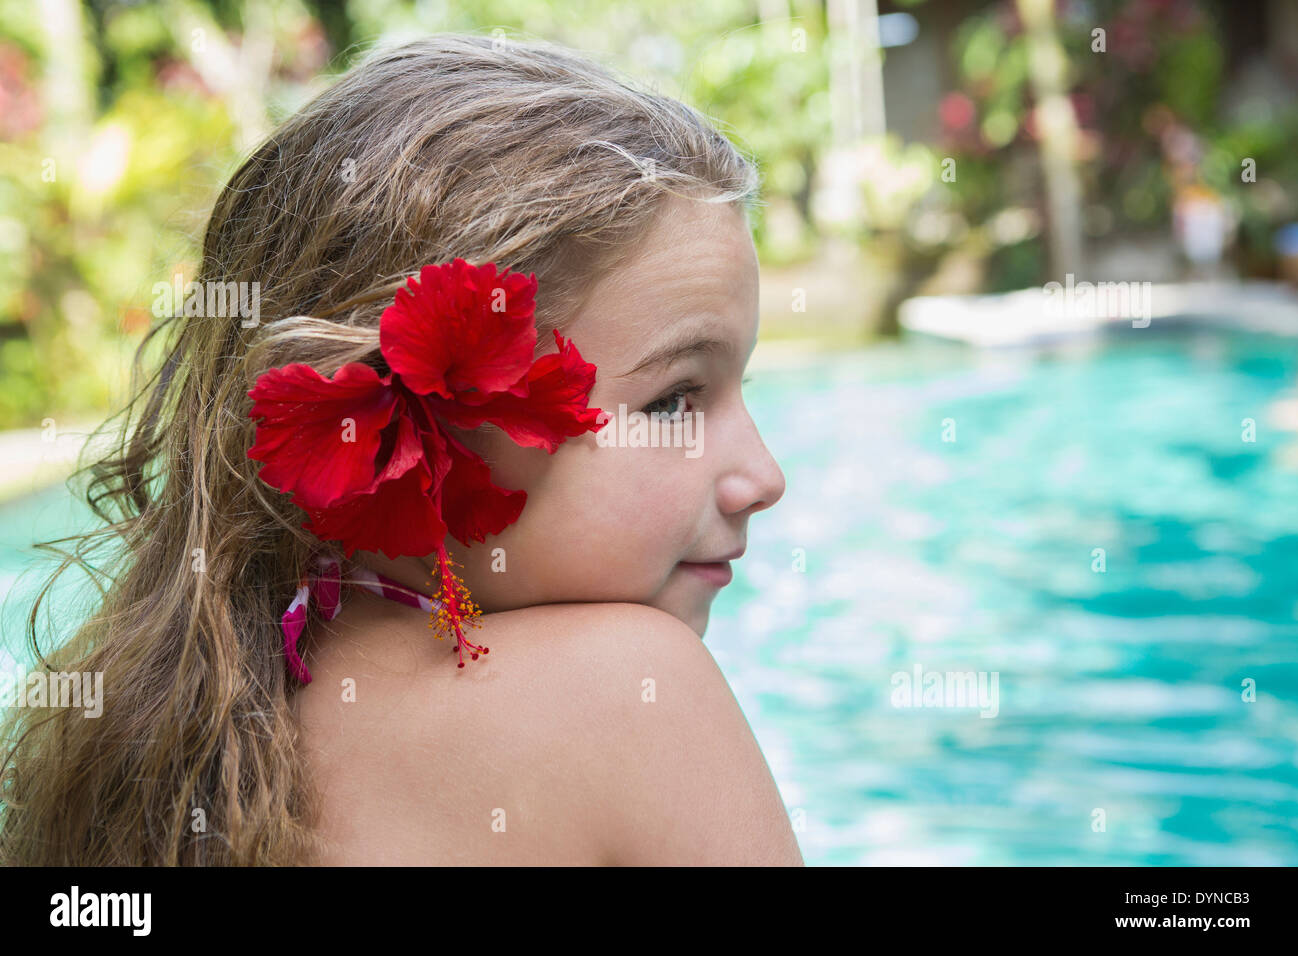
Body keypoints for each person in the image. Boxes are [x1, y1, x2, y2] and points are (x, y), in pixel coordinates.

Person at [0, 34, 802, 867]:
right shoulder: (635, 694)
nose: (763, 477)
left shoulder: (165, 743)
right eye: (673, 402)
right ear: (415, 429)